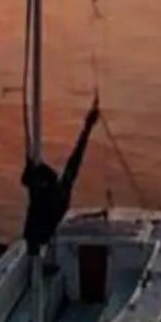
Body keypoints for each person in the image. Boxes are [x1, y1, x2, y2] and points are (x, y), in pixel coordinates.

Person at [19, 101, 101, 253]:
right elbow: (75, 160)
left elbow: (26, 180)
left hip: (33, 246)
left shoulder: (39, 195)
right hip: (42, 246)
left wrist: (88, 126)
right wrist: (88, 126)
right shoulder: (59, 192)